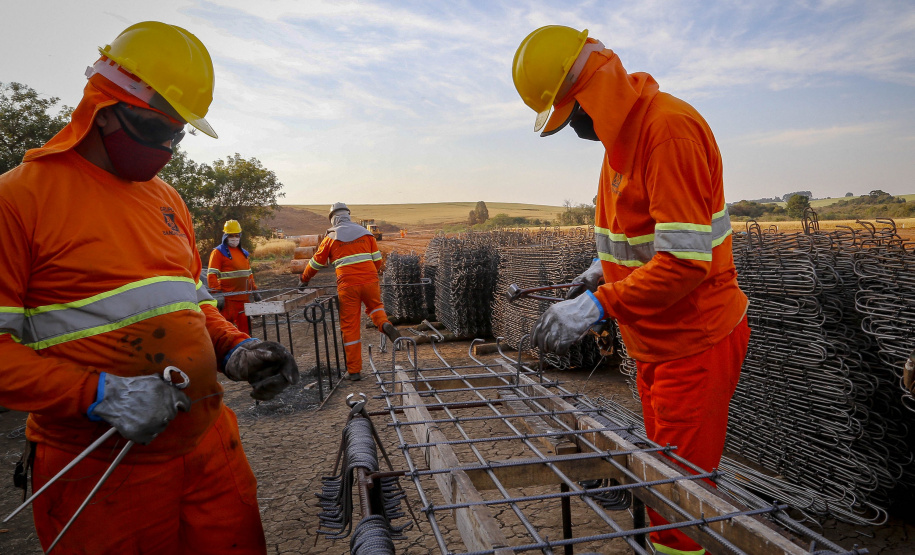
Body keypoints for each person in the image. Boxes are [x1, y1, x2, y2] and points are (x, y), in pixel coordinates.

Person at [0, 21, 299, 554]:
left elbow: (190, 299)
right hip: (100, 473)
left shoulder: (167, 200)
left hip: (210, 450)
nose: (167, 146)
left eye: (178, 133)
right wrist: (98, 395)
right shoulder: (20, 201)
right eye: (155, 129)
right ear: (105, 107)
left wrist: (236, 348)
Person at [514, 25, 750, 555]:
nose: (573, 130)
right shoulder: (619, 144)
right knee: (660, 474)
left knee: (678, 499)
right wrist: (598, 273)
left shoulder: (669, 132)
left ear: (591, 93)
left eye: (571, 115)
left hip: (695, 342)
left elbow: (686, 261)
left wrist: (601, 304)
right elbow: (640, 236)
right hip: (656, 341)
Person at [299, 202, 401, 380]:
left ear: (333, 219)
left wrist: (304, 279)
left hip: (348, 285)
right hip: (370, 280)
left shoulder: (331, 237)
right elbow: (377, 261)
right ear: (348, 215)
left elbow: (316, 263)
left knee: (350, 326)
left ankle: (354, 371)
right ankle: (385, 325)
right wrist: (370, 275)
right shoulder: (366, 234)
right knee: (375, 307)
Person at [208, 219, 262, 334]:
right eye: (231, 235)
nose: (234, 238)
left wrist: (255, 291)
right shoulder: (218, 253)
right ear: (225, 236)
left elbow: (249, 275)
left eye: (236, 235)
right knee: (224, 333)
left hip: (243, 302)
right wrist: (217, 294)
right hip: (227, 301)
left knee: (246, 333)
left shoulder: (244, 254)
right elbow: (211, 275)